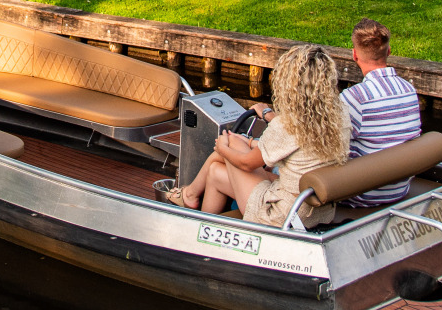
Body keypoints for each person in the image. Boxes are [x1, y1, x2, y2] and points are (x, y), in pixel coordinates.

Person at [167, 45, 348, 229]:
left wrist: (223, 148)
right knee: (215, 172)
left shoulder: (286, 126)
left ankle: (190, 196)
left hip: (281, 214)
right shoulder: (339, 116)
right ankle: (201, 225)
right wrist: (265, 121)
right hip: (312, 207)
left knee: (230, 143)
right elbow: (298, 137)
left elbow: (247, 163)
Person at [338, 18, 422, 208]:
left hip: (363, 195)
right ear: (389, 51)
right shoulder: (408, 89)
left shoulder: (355, 97)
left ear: (354, 55)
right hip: (400, 189)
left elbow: (329, 145)